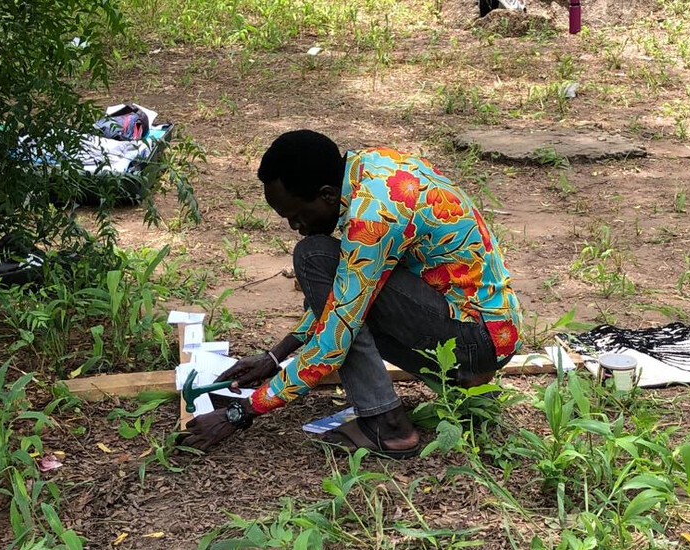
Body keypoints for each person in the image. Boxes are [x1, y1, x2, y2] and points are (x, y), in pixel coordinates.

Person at [181, 130, 522, 457]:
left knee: (313, 256)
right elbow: (346, 292)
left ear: (328, 195)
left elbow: (335, 338)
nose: (294, 227)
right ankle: (458, 387)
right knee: (329, 269)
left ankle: (389, 427)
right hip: (486, 329)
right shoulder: (371, 168)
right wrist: (275, 356)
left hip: (474, 340)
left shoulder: (372, 219)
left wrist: (239, 414)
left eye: (296, 215)